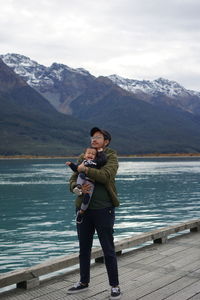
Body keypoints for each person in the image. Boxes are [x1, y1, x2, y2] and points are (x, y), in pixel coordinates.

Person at [67, 127, 121, 300]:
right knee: (84, 248)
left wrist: (85, 169)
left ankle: (114, 286)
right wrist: (75, 188)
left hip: (104, 208)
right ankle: (83, 282)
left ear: (106, 141)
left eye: (98, 137)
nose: (94, 139)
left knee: (108, 249)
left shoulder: (111, 156)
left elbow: (106, 176)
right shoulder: (85, 155)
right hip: (82, 209)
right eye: (92, 137)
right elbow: (73, 178)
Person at [66, 146, 107, 224]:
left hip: (90, 183)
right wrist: (71, 164)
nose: (90, 155)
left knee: (87, 198)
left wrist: (101, 152)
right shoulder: (83, 162)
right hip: (82, 179)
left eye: (93, 154)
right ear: (84, 155)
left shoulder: (96, 162)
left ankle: (81, 212)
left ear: (95, 157)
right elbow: (76, 169)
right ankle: (78, 187)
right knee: (81, 175)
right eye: (89, 153)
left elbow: (103, 160)